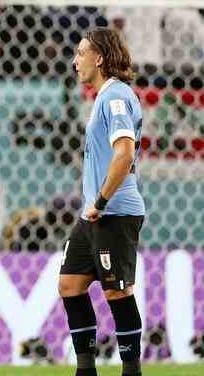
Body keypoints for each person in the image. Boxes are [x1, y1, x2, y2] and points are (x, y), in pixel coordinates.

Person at [59, 27, 146, 376]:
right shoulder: (104, 97)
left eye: (81, 53)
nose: (75, 60)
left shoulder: (114, 97)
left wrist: (101, 199)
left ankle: (131, 370)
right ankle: (85, 370)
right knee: (70, 284)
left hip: (113, 212)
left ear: (99, 58)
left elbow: (124, 154)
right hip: (93, 214)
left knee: (116, 293)